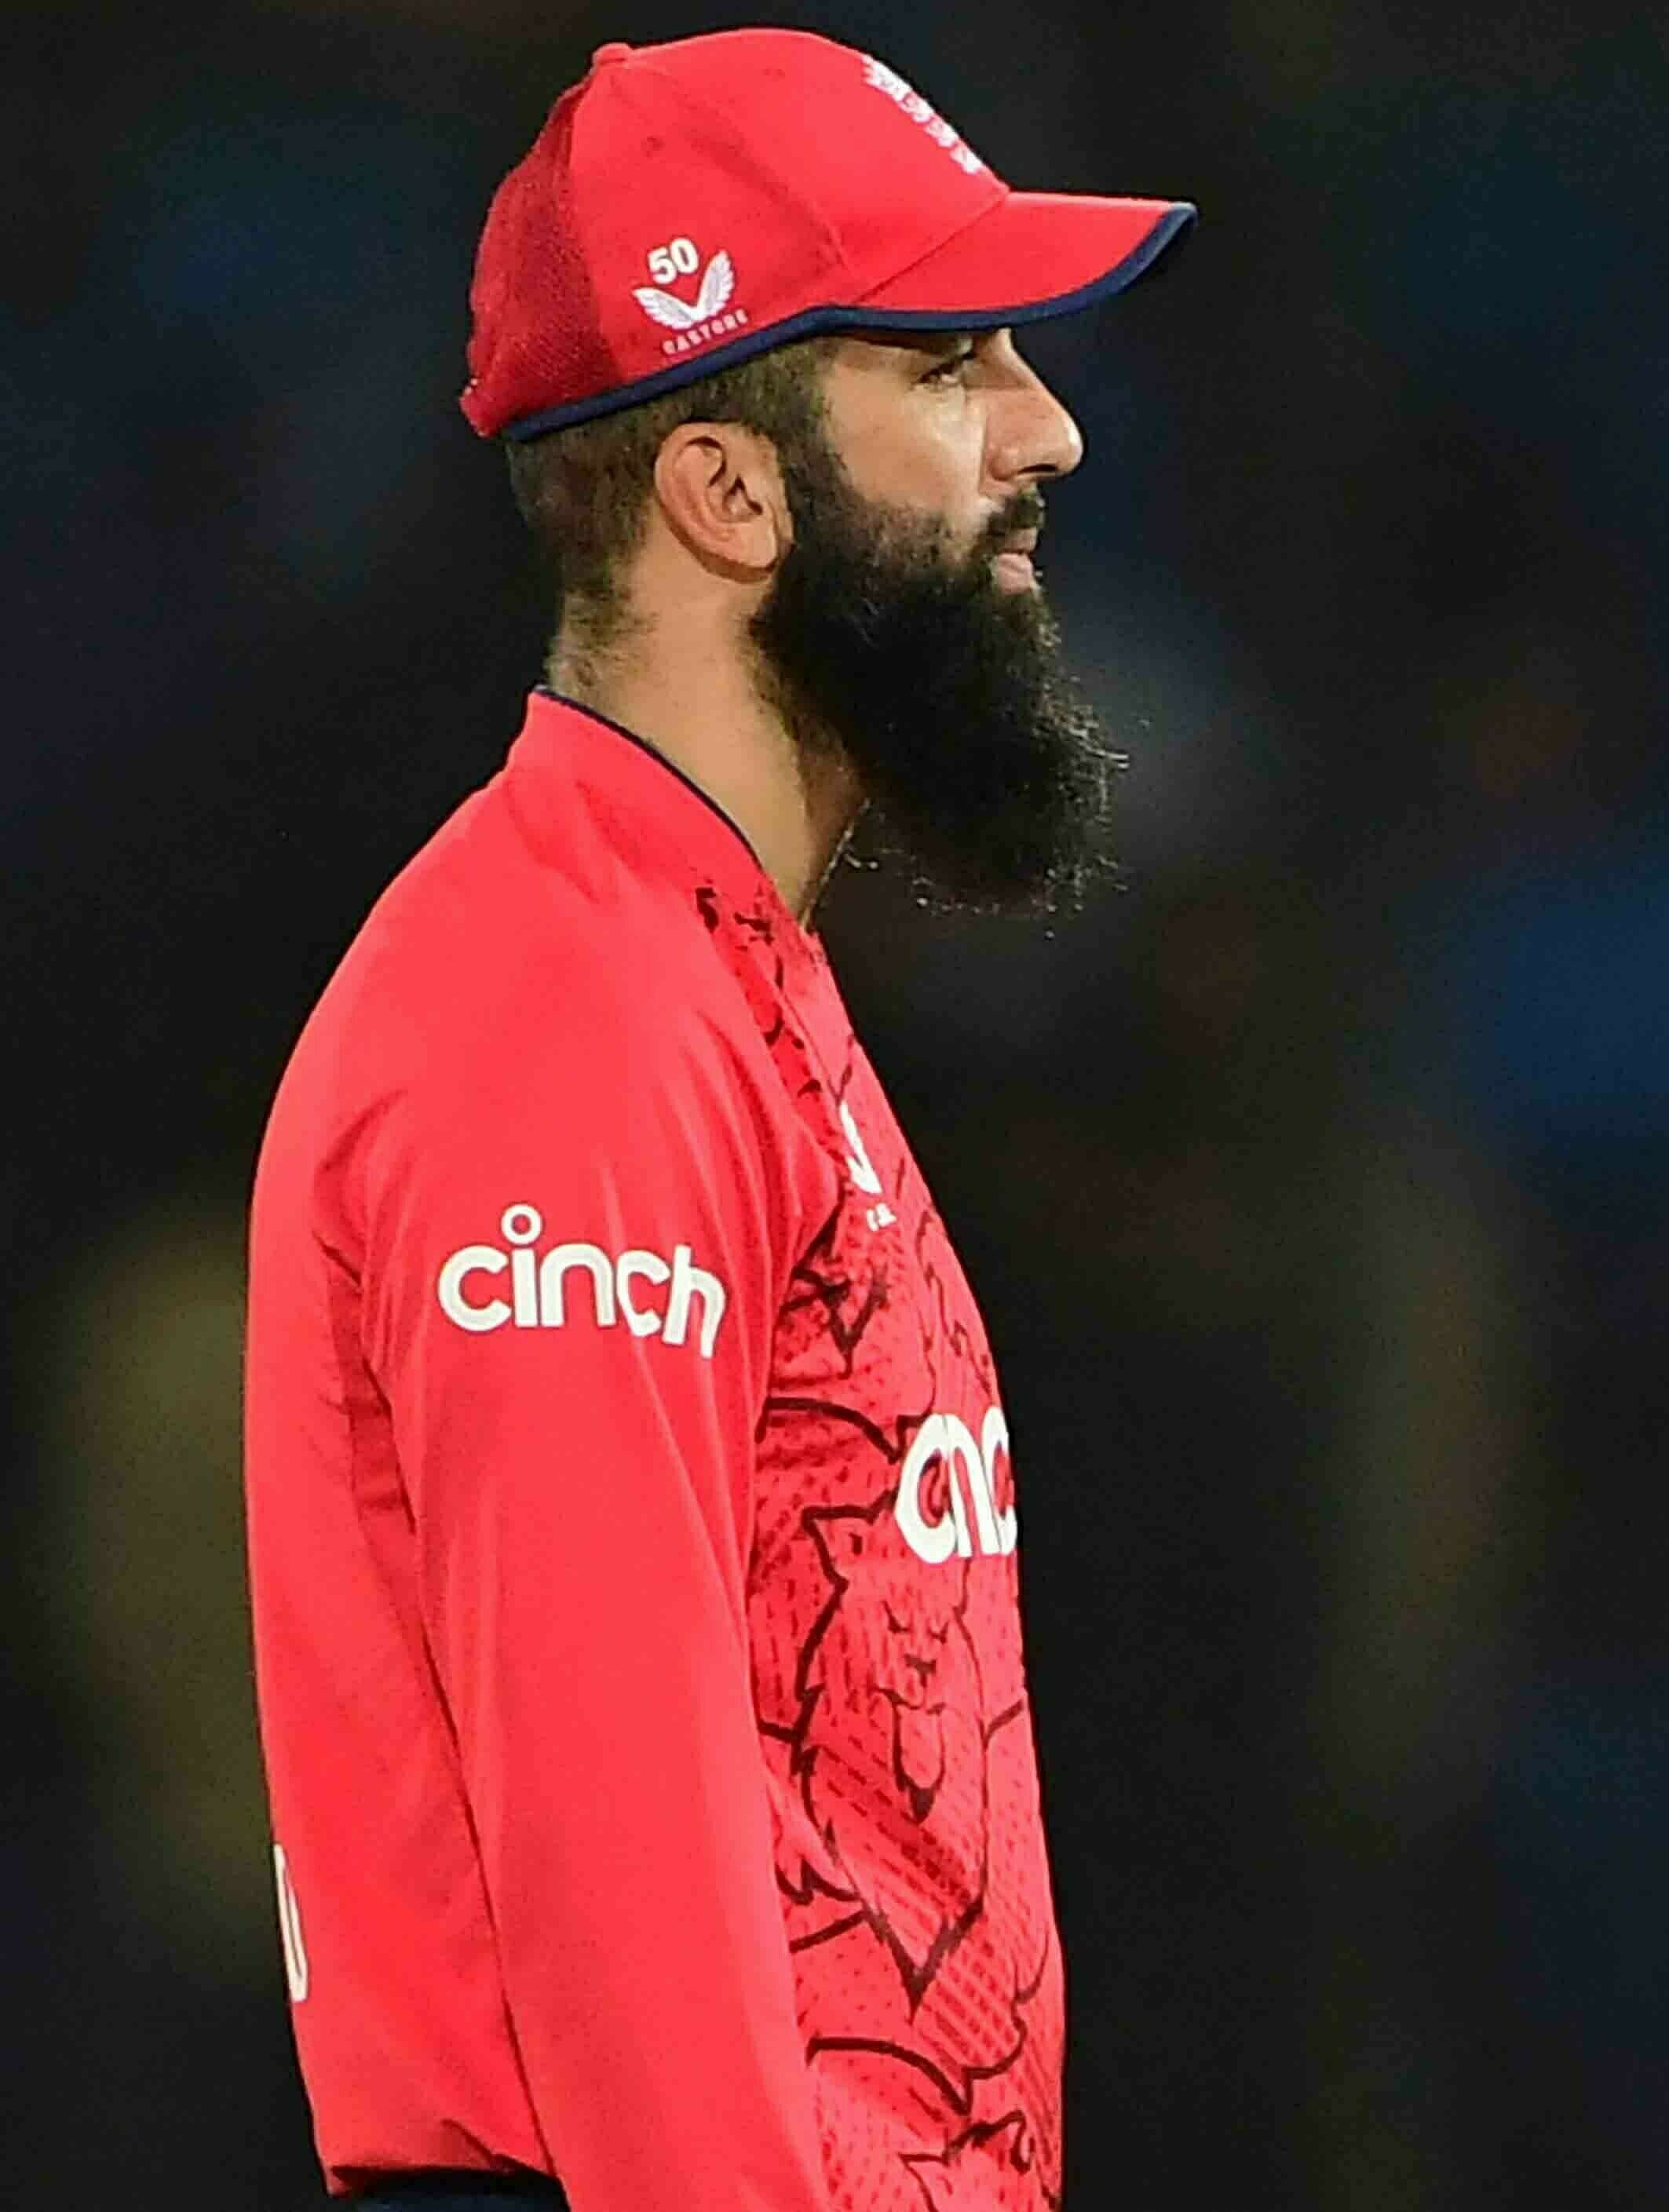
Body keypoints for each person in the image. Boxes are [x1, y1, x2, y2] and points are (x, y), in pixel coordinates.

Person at [239, 31, 1189, 2211]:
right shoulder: (562, 1020)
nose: (1044, 430)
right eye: (950, 365)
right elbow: (621, 1915)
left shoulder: (699, 967)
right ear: (728, 490)